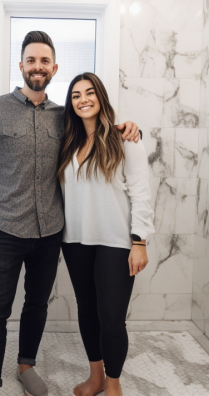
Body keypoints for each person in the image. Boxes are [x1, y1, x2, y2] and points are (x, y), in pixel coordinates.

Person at [0, 31, 140, 396]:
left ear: (54, 68)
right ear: (21, 66)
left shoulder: (64, 117)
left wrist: (129, 127)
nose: (38, 67)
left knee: (36, 304)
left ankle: (26, 365)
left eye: (45, 61)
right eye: (31, 60)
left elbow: (97, 129)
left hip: (50, 232)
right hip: (7, 228)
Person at [57, 72, 154, 396]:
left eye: (89, 93)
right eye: (75, 96)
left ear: (100, 97)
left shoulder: (124, 139)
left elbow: (141, 193)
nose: (83, 99)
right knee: (88, 311)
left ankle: (113, 384)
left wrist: (139, 242)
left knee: (112, 319)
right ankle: (95, 376)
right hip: (75, 241)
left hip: (115, 242)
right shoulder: (68, 142)